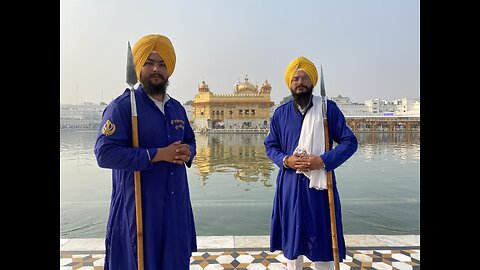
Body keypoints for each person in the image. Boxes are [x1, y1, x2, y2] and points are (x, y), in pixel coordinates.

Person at [94, 34, 197, 270]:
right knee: (139, 261)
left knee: (174, 261)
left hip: (174, 207)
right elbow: (104, 153)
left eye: (162, 64)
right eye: (150, 62)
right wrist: (156, 154)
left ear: (169, 69)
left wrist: (187, 152)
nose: (156, 69)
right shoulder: (123, 107)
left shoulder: (176, 108)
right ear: (139, 66)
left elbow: (191, 141)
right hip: (140, 209)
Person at [264, 56, 358, 270]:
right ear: (290, 83)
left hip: (320, 188)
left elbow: (349, 142)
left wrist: (322, 160)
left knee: (322, 241)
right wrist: (286, 160)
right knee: (292, 245)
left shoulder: (327, 110)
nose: (300, 82)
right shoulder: (281, 114)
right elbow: (270, 146)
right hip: (290, 187)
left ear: (312, 82)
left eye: (305, 78)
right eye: (296, 78)